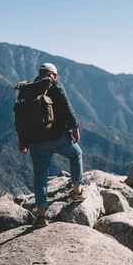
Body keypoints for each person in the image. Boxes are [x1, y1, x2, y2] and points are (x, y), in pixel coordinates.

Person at [18, 63, 87, 226]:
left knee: (40, 175)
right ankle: (77, 191)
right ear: (51, 74)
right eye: (55, 76)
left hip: (35, 142)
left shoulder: (26, 89)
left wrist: (22, 141)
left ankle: (41, 215)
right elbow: (67, 106)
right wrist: (75, 127)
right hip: (58, 137)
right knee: (76, 154)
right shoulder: (54, 84)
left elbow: (20, 119)